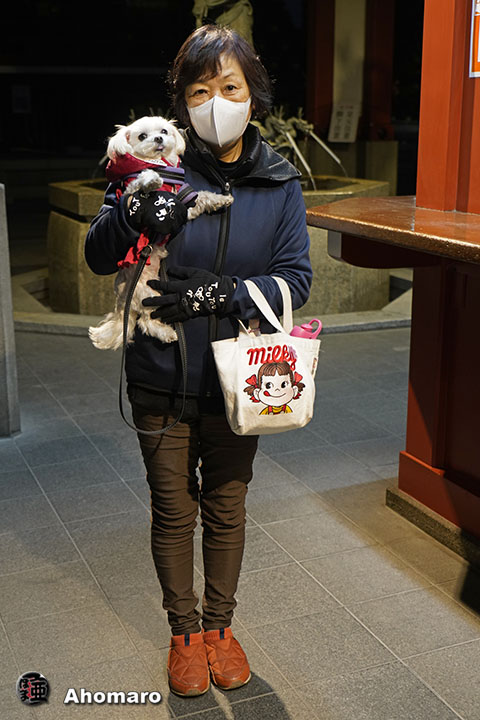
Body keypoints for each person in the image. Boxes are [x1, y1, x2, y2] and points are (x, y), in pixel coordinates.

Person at [84, 24, 312, 698]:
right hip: (159, 375)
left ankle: (220, 628)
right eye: (199, 91)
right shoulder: (154, 167)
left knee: (228, 507)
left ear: (254, 94)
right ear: (182, 102)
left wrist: (222, 294)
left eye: (230, 87)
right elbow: (97, 253)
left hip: (243, 379)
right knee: (172, 510)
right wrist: (132, 213)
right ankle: (183, 634)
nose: (216, 103)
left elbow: (295, 280)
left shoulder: (279, 183)